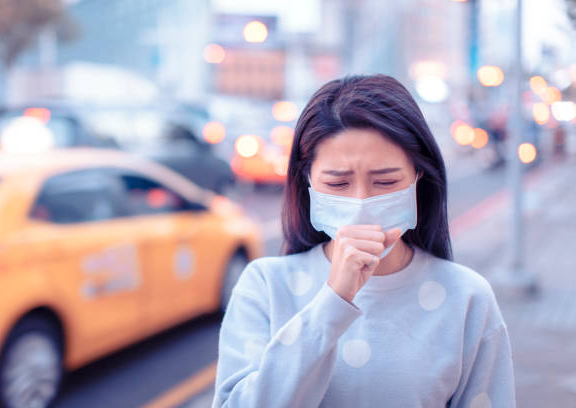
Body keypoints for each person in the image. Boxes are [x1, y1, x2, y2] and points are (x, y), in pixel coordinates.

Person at [212, 74, 516, 407]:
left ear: (418, 176)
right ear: (307, 180)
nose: (361, 203)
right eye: (338, 184)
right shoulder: (265, 286)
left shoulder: (467, 297)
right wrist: (334, 300)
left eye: (385, 182)